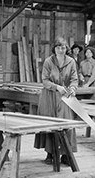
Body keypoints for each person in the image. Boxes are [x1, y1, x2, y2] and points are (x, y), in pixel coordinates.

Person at [34, 37, 78, 165]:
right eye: (58, 47)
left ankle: (66, 155)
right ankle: (50, 154)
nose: (61, 50)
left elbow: (74, 79)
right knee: (49, 124)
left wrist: (73, 88)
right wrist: (57, 87)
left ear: (66, 49)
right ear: (54, 49)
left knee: (66, 124)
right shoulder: (49, 61)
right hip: (50, 96)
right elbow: (45, 80)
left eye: (63, 47)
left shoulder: (71, 61)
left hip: (65, 98)